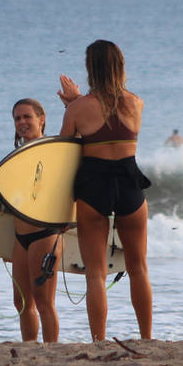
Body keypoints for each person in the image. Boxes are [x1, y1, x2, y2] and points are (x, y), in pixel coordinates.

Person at [58, 39, 153, 341]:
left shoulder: (78, 108)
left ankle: (99, 341)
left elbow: (63, 152)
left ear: (90, 68)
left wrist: (73, 103)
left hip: (94, 187)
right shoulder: (136, 103)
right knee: (138, 268)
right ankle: (146, 338)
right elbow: (111, 116)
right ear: (120, 66)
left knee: (95, 273)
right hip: (129, 184)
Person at [9, 98, 62, 343]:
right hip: (20, 238)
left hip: (44, 235)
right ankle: (29, 349)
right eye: (17, 118)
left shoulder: (51, 151)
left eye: (27, 117)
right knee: (21, 301)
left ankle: (52, 352)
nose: (22, 122)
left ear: (41, 119)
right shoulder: (16, 155)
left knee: (44, 302)